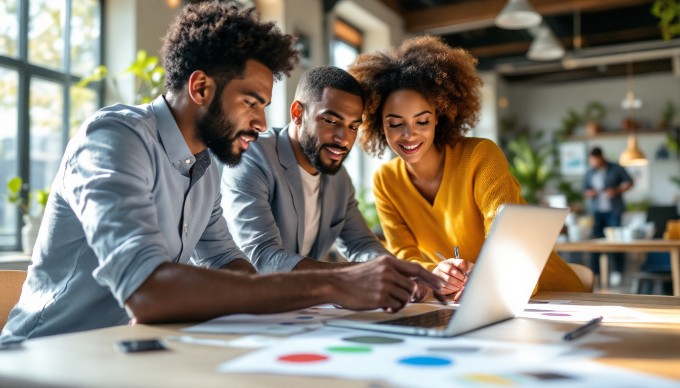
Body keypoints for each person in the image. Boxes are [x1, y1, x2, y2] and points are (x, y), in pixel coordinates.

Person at [0, 3, 443, 343]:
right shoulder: (114, 138)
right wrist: (334, 282)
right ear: (199, 87)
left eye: (263, 107)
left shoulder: (207, 163)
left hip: (129, 352)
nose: (258, 122)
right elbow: (147, 290)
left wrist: (329, 296)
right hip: (48, 355)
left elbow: (235, 270)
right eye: (251, 102)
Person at [348, 35, 586, 299]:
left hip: (547, 293)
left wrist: (486, 274)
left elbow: (504, 233)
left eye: (422, 121)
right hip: (473, 300)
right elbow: (404, 254)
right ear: (378, 124)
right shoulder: (386, 180)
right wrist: (435, 272)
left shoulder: (479, 155)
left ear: (438, 117)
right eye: (395, 124)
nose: (409, 135)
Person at [220, 66, 391, 273]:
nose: (344, 139)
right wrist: (348, 276)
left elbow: (361, 244)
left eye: (353, 127)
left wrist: (398, 273)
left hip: (300, 302)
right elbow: (262, 256)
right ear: (298, 113)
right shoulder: (252, 157)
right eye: (330, 121)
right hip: (237, 300)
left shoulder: (339, 179)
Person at [583, 147, 633, 283]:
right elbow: (585, 190)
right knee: (595, 242)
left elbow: (629, 183)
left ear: (601, 157)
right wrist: (590, 193)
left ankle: (617, 271)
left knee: (616, 241)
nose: (594, 162)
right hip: (597, 211)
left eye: (596, 160)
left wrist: (616, 190)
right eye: (592, 160)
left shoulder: (616, 168)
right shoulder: (589, 173)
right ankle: (595, 273)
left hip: (613, 211)